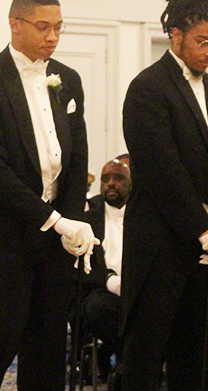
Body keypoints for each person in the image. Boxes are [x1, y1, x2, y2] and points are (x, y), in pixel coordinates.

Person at [0, 0, 94, 391]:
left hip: (57, 240)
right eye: (43, 27)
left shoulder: (68, 80)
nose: (52, 37)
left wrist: (72, 220)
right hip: (8, 234)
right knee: (0, 340)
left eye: (59, 27)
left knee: (49, 345)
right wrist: (54, 220)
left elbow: (78, 159)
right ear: (15, 25)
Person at [119, 0, 208, 391]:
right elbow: (161, 171)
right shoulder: (147, 88)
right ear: (176, 35)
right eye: (202, 42)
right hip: (160, 241)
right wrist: (203, 228)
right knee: (146, 352)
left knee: (198, 354)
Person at [80, 157, 131, 383]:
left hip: (138, 289)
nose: (111, 183)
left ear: (131, 183)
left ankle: (125, 363)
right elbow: (84, 265)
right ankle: (131, 362)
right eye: (106, 179)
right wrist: (110, 280)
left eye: (118, 178)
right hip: (103, 290)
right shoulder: (88, 216)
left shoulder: (144, 214)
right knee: (96, 308)